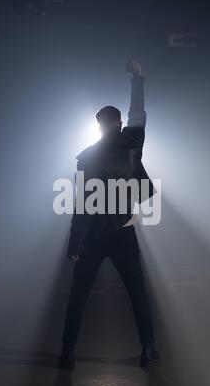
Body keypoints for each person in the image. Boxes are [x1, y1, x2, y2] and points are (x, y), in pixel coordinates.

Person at [59, 61, 159, 369]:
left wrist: (75, 244)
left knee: (78, 295)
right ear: (118, 123)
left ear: (98, 124)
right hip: (123, 233)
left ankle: (67, 353)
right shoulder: (132, 143)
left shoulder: (86, 158)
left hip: (93, 235)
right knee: (137, 294)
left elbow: (81, 204)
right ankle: (147, 349)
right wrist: (137, 79)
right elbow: (138, 114)